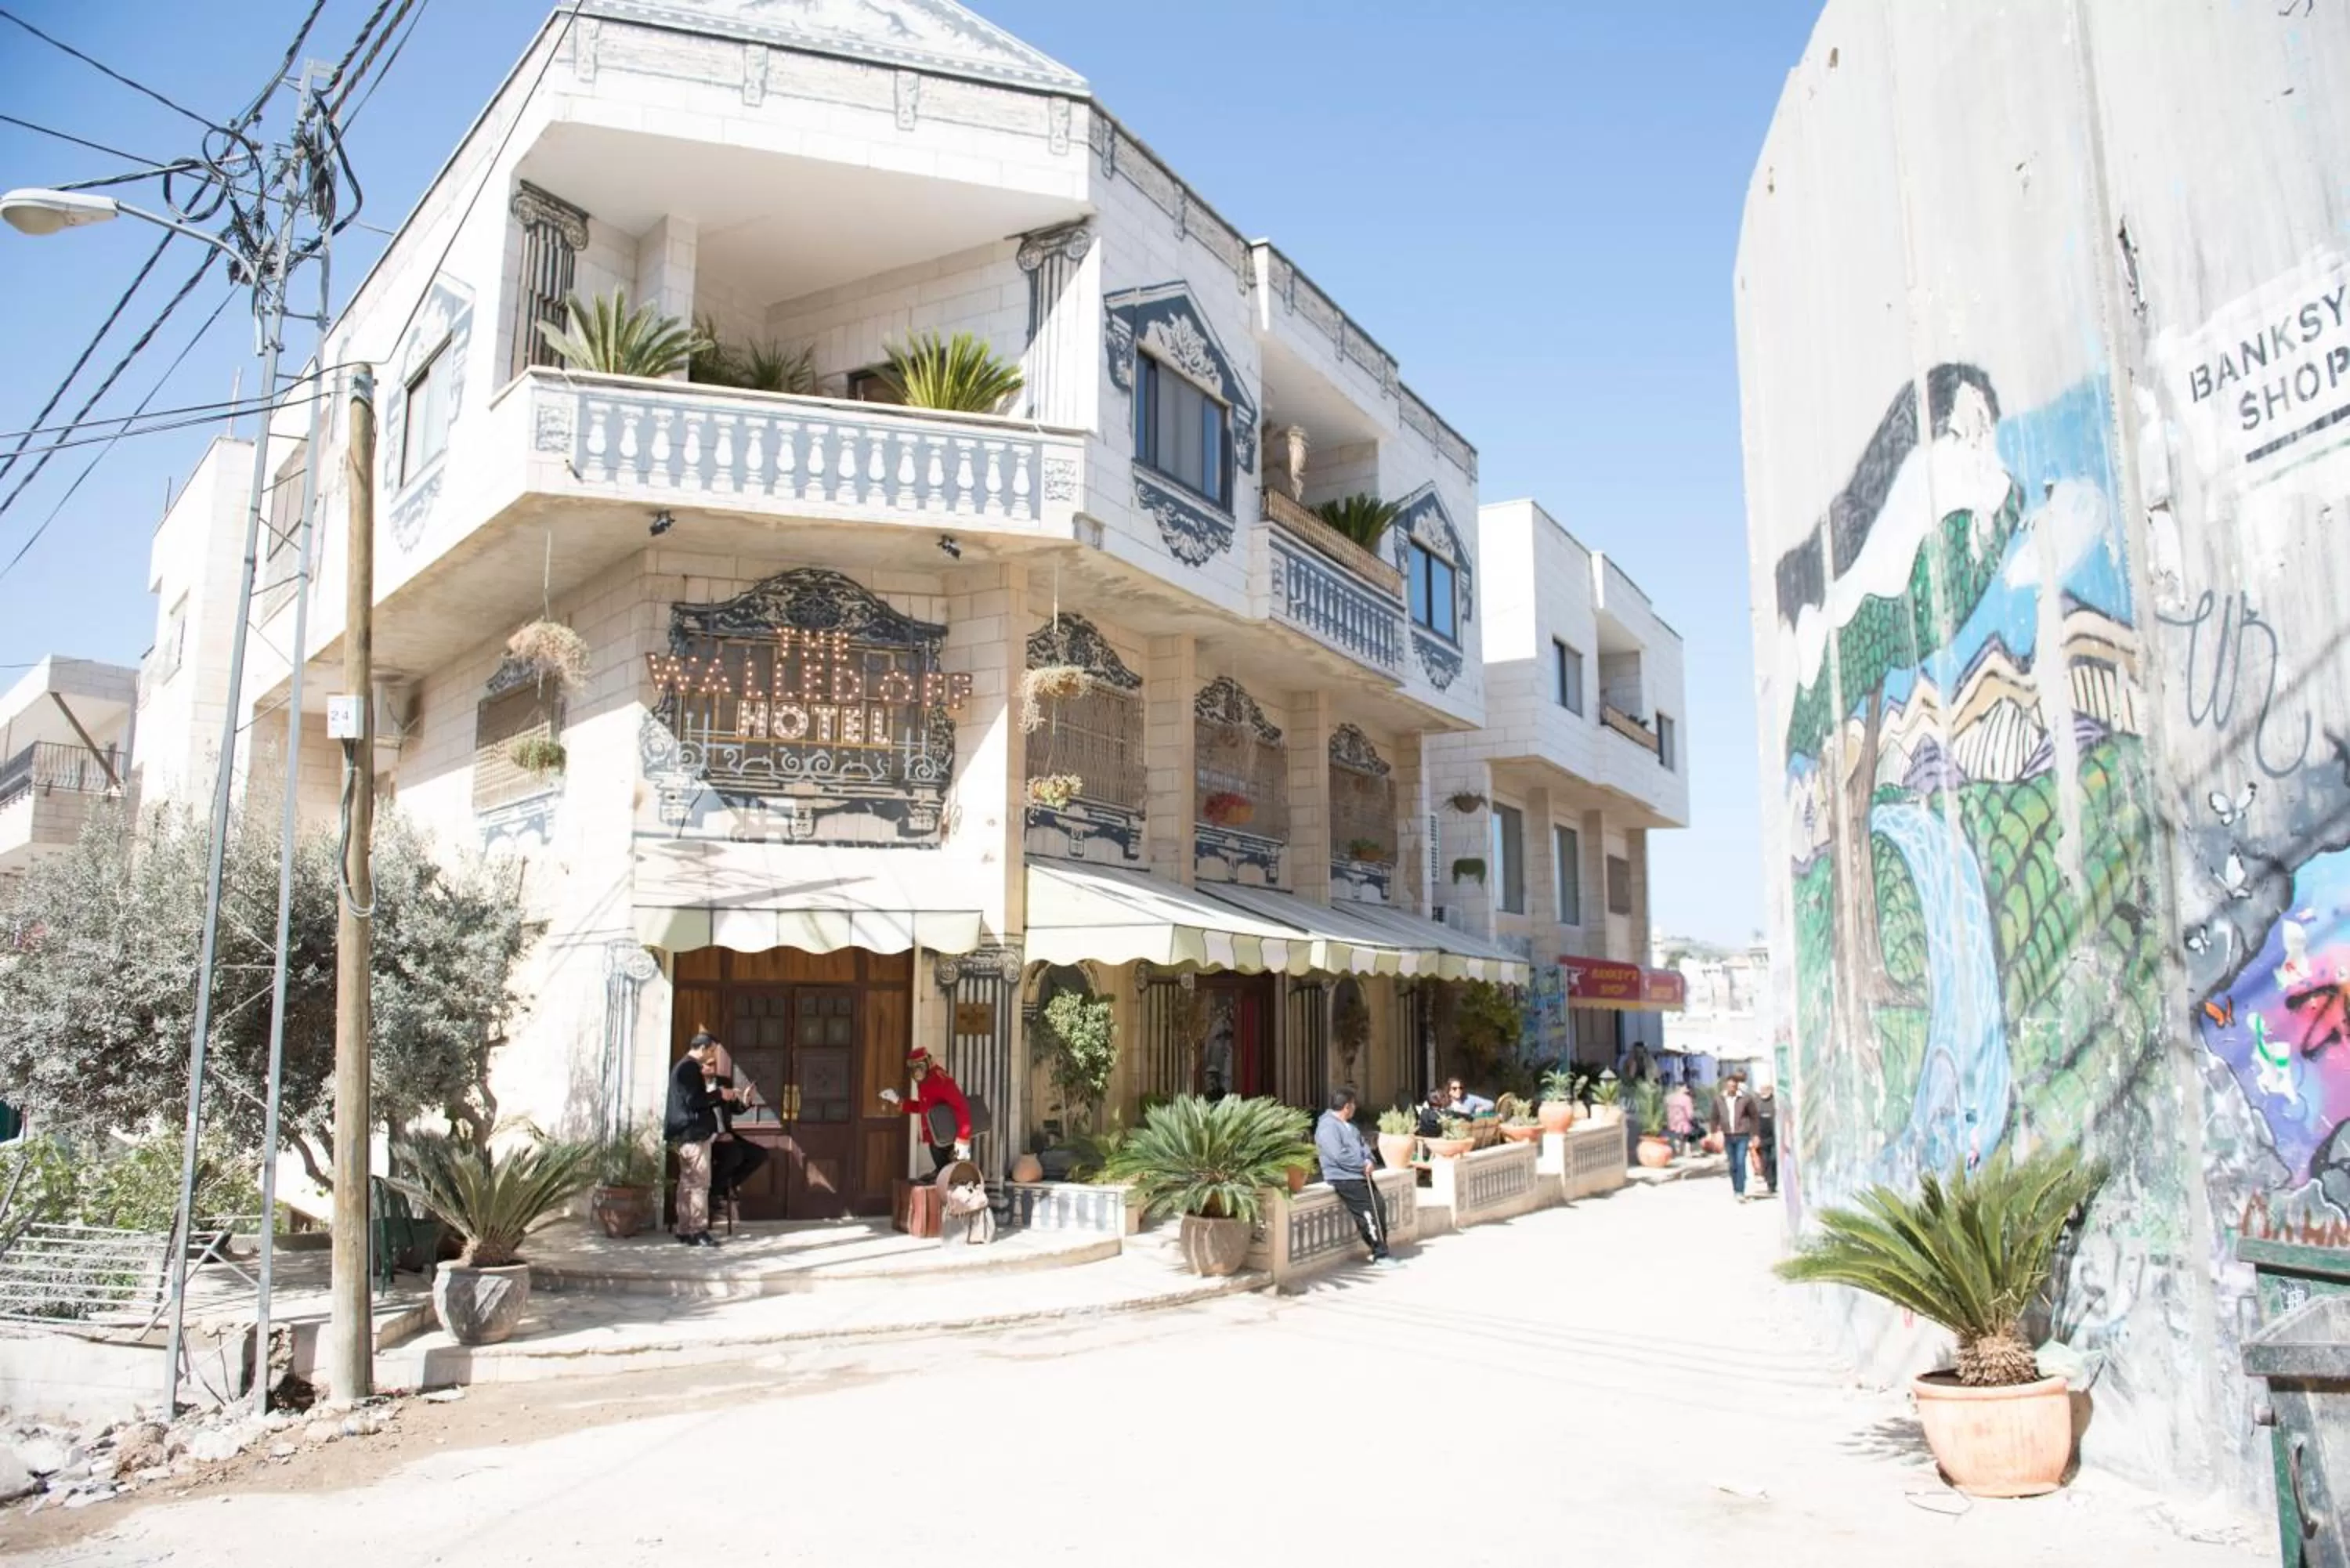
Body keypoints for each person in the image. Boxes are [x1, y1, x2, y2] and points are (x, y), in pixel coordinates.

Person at [665, 1029, 742, 1248]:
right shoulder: (689, 1068)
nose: (712, 1056)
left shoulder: (683, 1066)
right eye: (711, 1051)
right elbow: (695, 1101)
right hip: (694, 1135)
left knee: (687, 1184)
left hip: (685, 1135)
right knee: (699, 1184)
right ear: (702, 1048)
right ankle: (698, 1231)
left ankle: (684, 1230)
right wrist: (721, 1095)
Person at [1315, 1088, 1392, 1266]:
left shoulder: (1351, 1126)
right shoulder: (1328, 1127)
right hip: (1344, 1178)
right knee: (1368, 1213)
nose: (1355, 1107)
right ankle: (1380, 1252)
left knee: (1379, 1206)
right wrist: (1361, 1164)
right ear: (1347, 1106)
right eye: (1354, 1104)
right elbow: (1338, 1155)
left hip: (1360, 1175)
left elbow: (1363, 1145)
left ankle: (1382, 1248)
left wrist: (1369, 1160)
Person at [879, 1046, 971, 1176]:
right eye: (913, 1068)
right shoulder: (925, 1081)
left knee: (953, 1179)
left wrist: (963, 1139)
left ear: (928, 1063)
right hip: (935, 1138)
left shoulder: (941, 1080)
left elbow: (961, 1106)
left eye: (919, 1066)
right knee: (944, 1176)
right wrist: (899, 1101)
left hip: (948, 1139)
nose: (916, 1072)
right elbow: (926, 1108)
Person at [1712, 1070, 1762, 1201]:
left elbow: (1754, 1117)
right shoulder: (1719, 1099)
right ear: (1726, 1085)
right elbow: (1714, 1117)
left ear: (1737, 1086)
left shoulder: (1746, 1099)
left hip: (1742, 1134)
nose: (1732, 1088)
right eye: (1730, 1085)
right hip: (1728, 1135)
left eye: (1734, 1085)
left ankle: (1740, 1190)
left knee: (1740, 1162)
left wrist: (1755, 1134)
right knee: (1733, 1164)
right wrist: (1714, 1133)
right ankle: (1736, 1188)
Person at [1755, 1083, 1781, 1195]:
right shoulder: (1756, 1102)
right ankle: (1770, 1183)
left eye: (1766, 1089)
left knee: (1774, 1159)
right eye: (1762, 1089)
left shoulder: (1776, 1102)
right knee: (1766, 1161)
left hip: (1775, 1136)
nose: (1764, 1091)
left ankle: (1774, 1182)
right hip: (1762, 1136)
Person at [1665, 1080, 1699, 1158]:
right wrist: (1692, 1119)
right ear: (1682, 1088)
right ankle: (1687, 1152)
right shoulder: (1686, 1099)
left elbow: (1667, 1109)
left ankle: (1677, 1151)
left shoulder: (1670, 1098)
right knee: (1687, 1136)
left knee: (1677, 1136)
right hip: (1684, 1121)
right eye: (1685, 1087)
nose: (1687, 1089)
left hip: (1672, 1120)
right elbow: (1689, 1112)